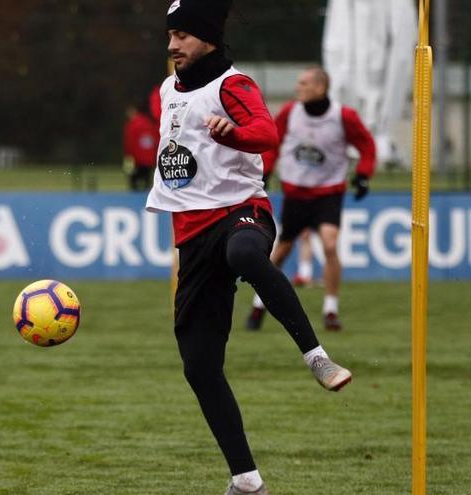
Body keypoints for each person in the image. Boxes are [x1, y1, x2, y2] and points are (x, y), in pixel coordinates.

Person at [146, 2, 352, 494]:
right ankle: (246, 481)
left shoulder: (233, 86)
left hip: (242, 212)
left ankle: (317, 356)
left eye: (183, 35)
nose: (173, 44)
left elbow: (266, 133)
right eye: (171, 34)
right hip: (191, 237)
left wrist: (234, 133)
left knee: (243, 254)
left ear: (209, 40)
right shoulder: (167, 90)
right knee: (199, 367)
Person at [247, 66, 375, 332]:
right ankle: (259, 305)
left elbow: (367, 145)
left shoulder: (343, 116)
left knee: (329, 245)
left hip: (328, 192)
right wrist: (266, 168)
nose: (298, 88)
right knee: (281, 251)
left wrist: (363, 174)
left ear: (320, 87)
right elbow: (273, 141)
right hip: (296, 192)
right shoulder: (290, 112)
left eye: (304, 83)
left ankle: (330, 309)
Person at [123, 93, 160, 191]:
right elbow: (156, 140)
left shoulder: (132, 125)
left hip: (136, 160)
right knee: (147, 185)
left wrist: (128, 156)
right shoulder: (149, 123)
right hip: (149, 160)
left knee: (134, 184)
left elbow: (129, 143)